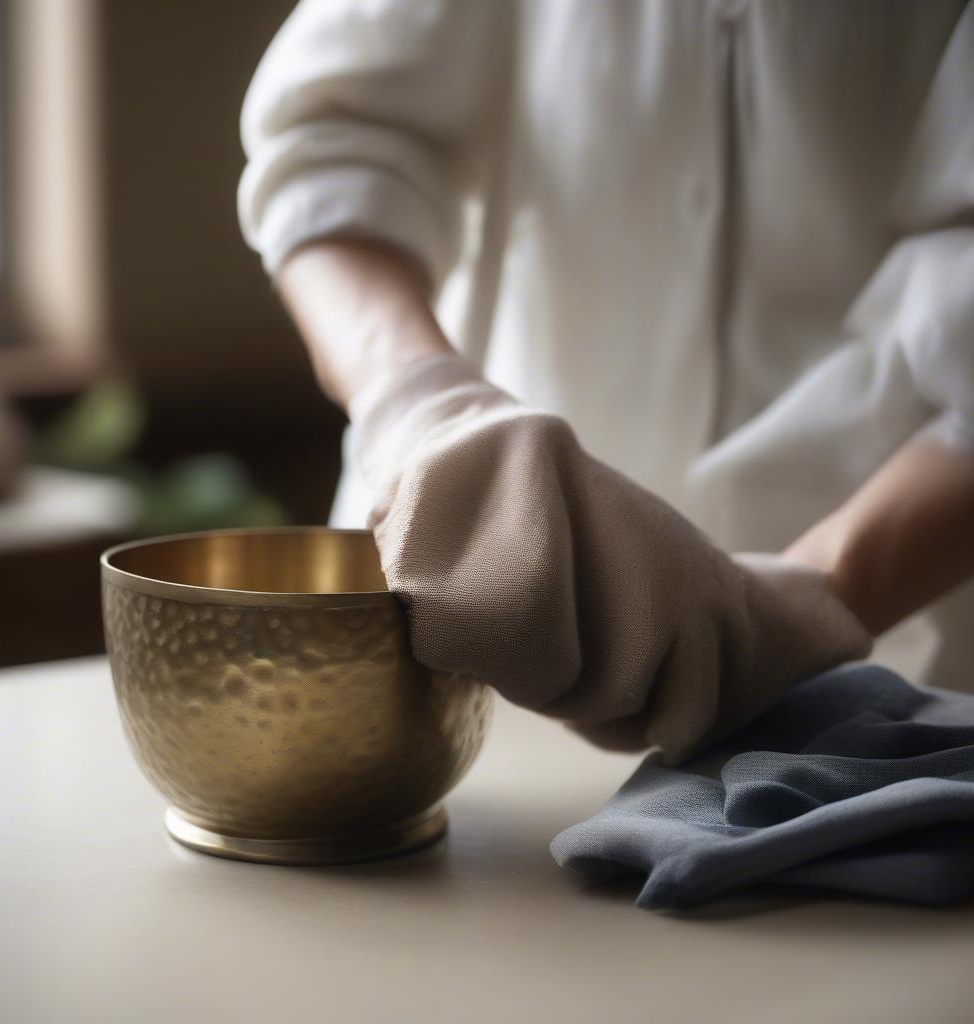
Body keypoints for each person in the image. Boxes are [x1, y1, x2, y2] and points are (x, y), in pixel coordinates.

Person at [238, 1, 974, 759]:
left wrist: (804, 608)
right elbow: (335, 140)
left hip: (899, 666)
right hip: (447, 647)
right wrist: (420, 404)